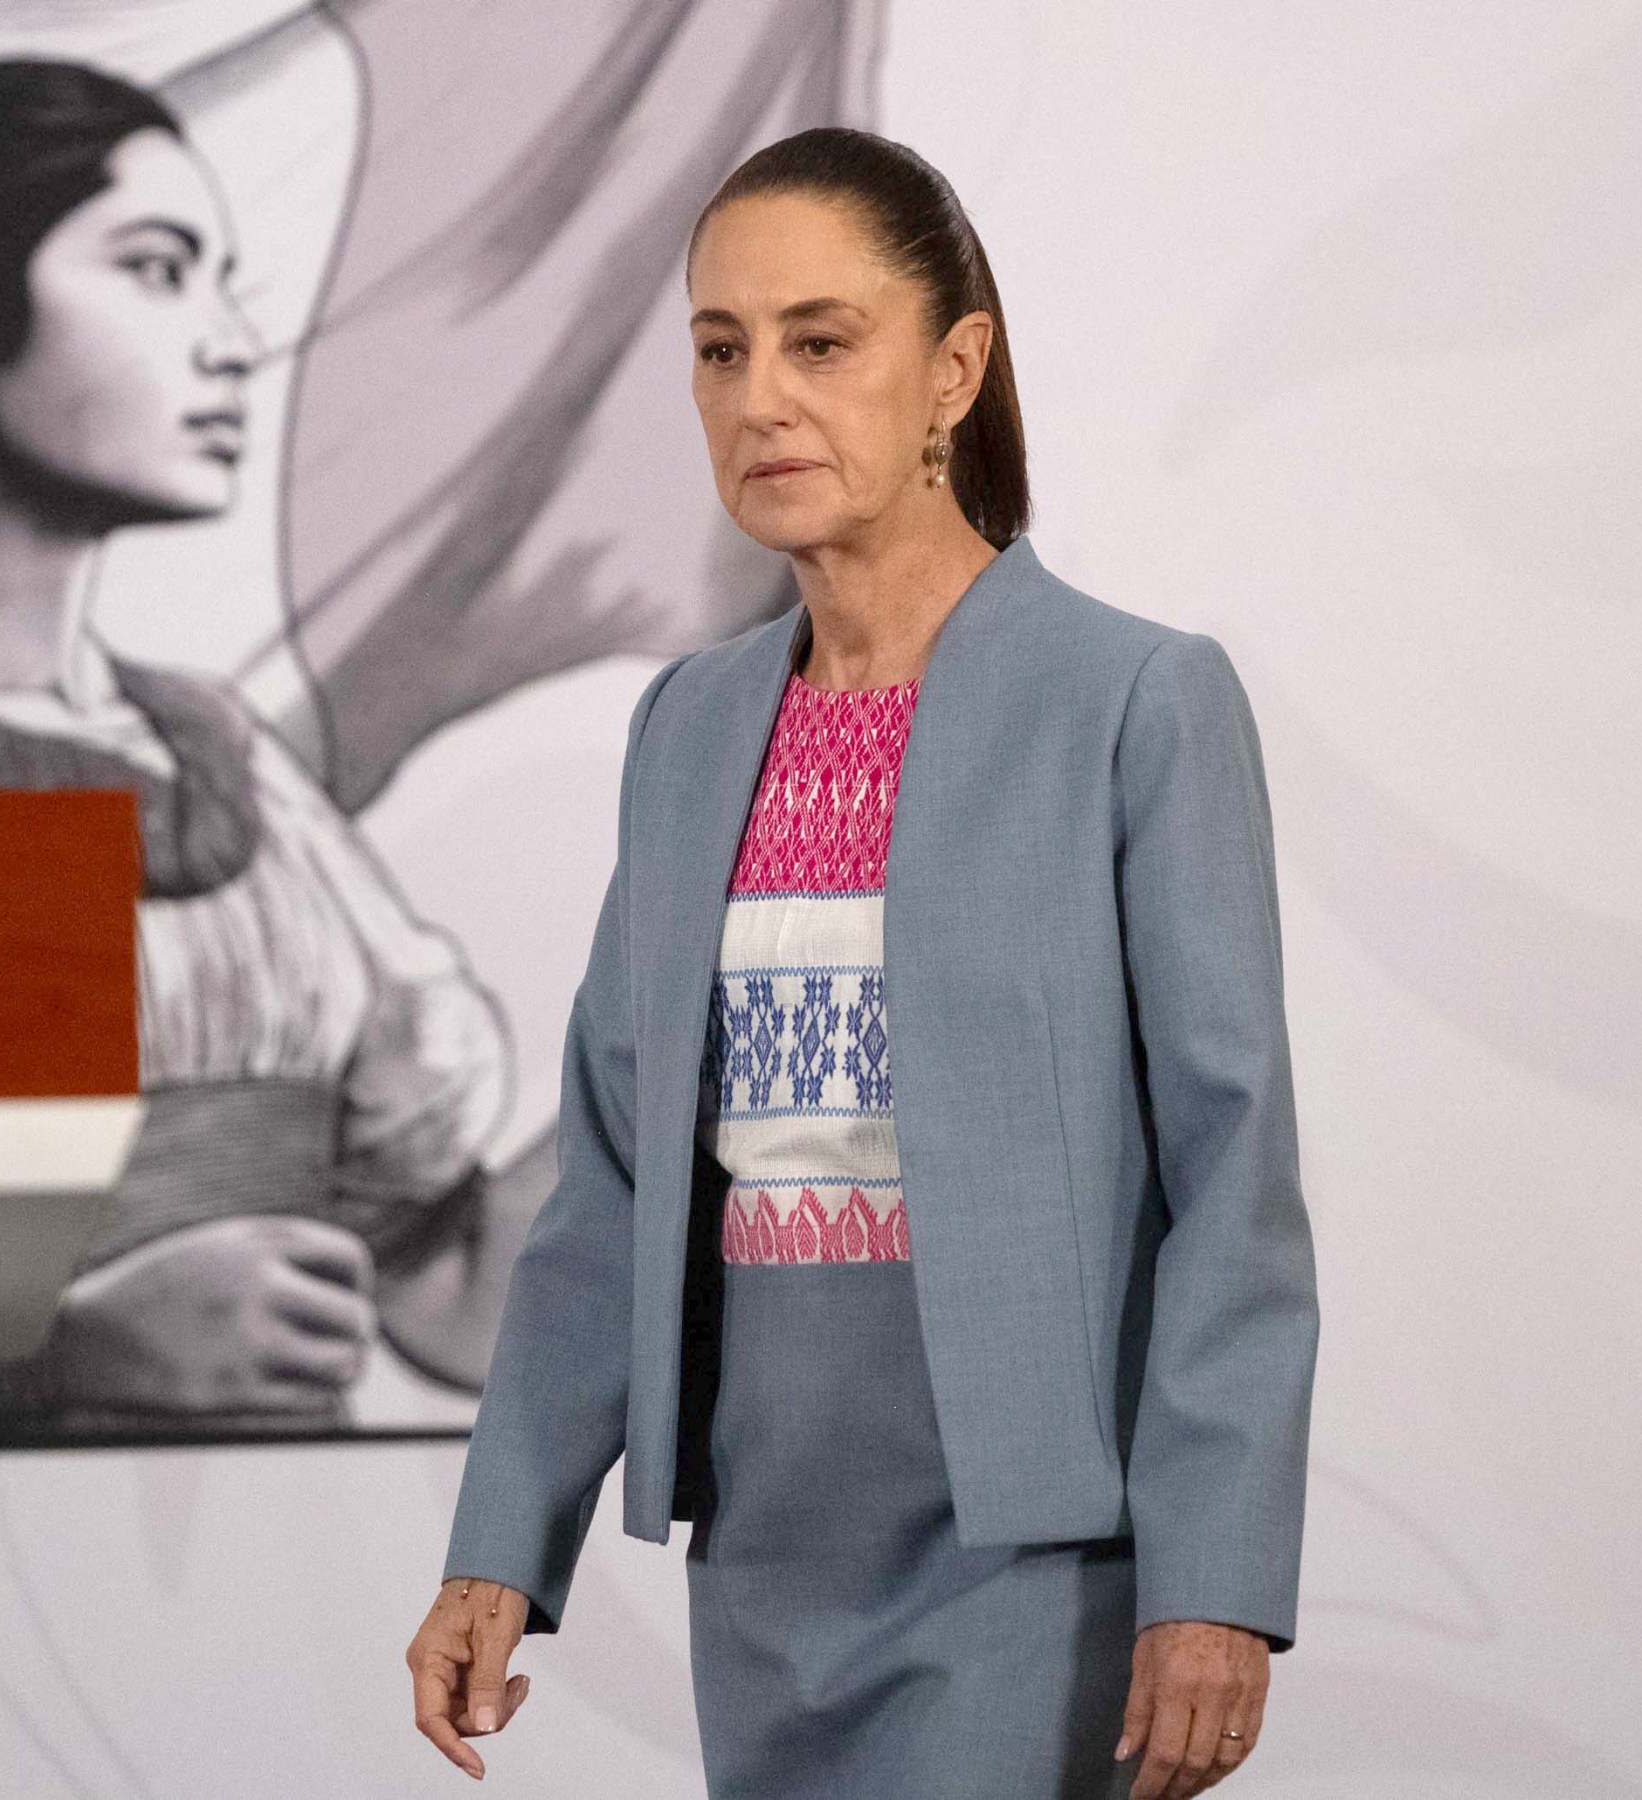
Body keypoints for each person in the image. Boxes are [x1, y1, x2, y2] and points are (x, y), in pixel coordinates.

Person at [408, 127, 1320, 1798]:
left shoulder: (1133, 704)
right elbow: (612, 1181)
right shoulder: (689, 728)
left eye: (821, 343)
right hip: (762, 1557)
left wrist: (1215, 1582)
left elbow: (1231, 1176)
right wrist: (500, 1548)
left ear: (953, 371)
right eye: (721, 350)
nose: (761, 399)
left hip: (1037, 1560)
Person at [0, 57, 524, 1440]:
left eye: (223, 281)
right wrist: (64, 1351)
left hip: (277, 1544)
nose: (228, 344)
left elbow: (447, 1289)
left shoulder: (223, 758)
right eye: (156, 271)